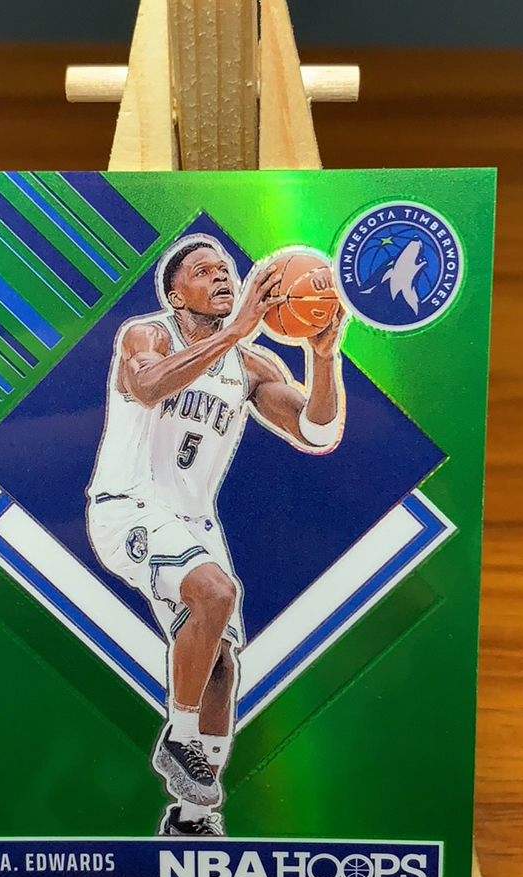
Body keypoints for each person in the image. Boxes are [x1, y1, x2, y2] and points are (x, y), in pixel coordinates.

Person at [86, 235, 346, 836]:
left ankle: (194, 816)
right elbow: (148, 387)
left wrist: (322, 358)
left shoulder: (251, 367)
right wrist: (236, 332)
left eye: (226, 269)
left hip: (192, 523)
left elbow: (316, 431)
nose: (223, 277)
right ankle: (178, 740)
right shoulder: (146, 335)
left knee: (222, 666)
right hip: (128, 506)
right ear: (176, 295)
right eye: (203, 272)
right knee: (217, 591)